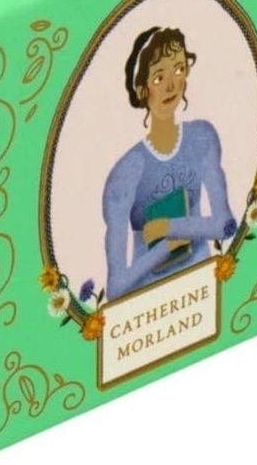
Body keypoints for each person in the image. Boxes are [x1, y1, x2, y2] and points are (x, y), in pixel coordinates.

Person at [98, 24, 237, 301]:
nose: (172, 85)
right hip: (152, 303)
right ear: (142, 89)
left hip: (203, 287)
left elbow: (226, 225)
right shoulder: (127, 171)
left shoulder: (202, 138)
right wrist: (165, 248)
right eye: (159, 77)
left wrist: (169, 228)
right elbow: (115, 288)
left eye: (178, 69)